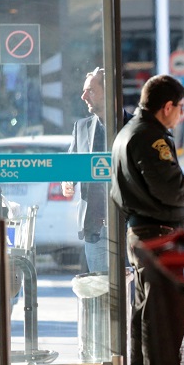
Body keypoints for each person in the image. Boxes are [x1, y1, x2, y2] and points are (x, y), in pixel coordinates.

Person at [110, 74, 184, 365]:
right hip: (157, 234)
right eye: (181, 107)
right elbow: (169, 186)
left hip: (141, 231)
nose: (183, 113)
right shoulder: (151, 137)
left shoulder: (128, 132)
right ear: (167, 106)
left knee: (145, 310)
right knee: (164, 311)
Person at [61, 67, 130, 273]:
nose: (83, 96)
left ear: (109, 91)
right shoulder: (81, 128)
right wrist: (67, 181)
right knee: (101, 294)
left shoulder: (134, 127)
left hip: (128, 227)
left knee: (132, 293)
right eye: (84, 90)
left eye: (90, 90)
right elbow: (70, 167)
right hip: (95, 230)